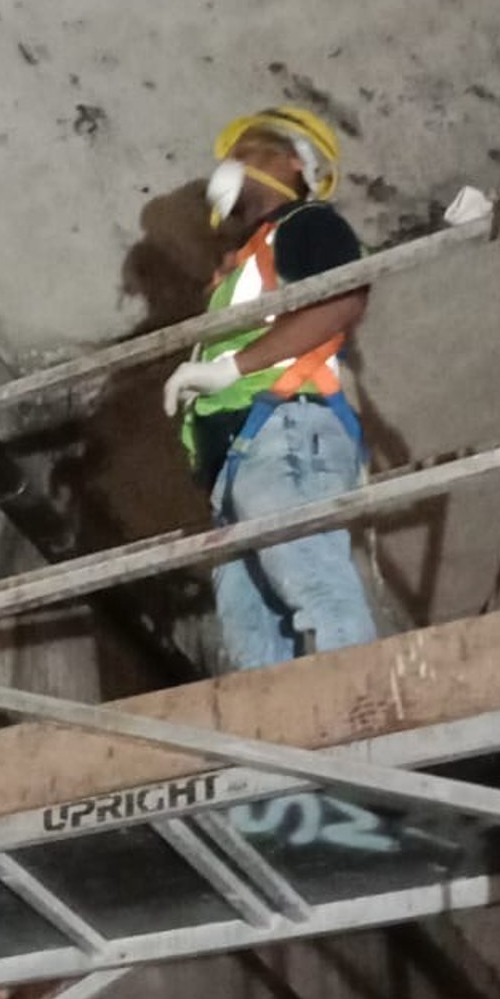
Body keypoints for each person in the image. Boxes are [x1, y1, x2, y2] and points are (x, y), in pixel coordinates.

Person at [160, 107, 377, 670]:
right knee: (250, 642)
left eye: (250, 152)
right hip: (243, 460)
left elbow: (340, 301)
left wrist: (231, 370)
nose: (232, 165)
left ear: (293, 161)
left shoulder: (307, 224)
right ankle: (278, 757)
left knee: (315, 588)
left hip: (285, 431)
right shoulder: (244, 265)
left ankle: (365, 713)